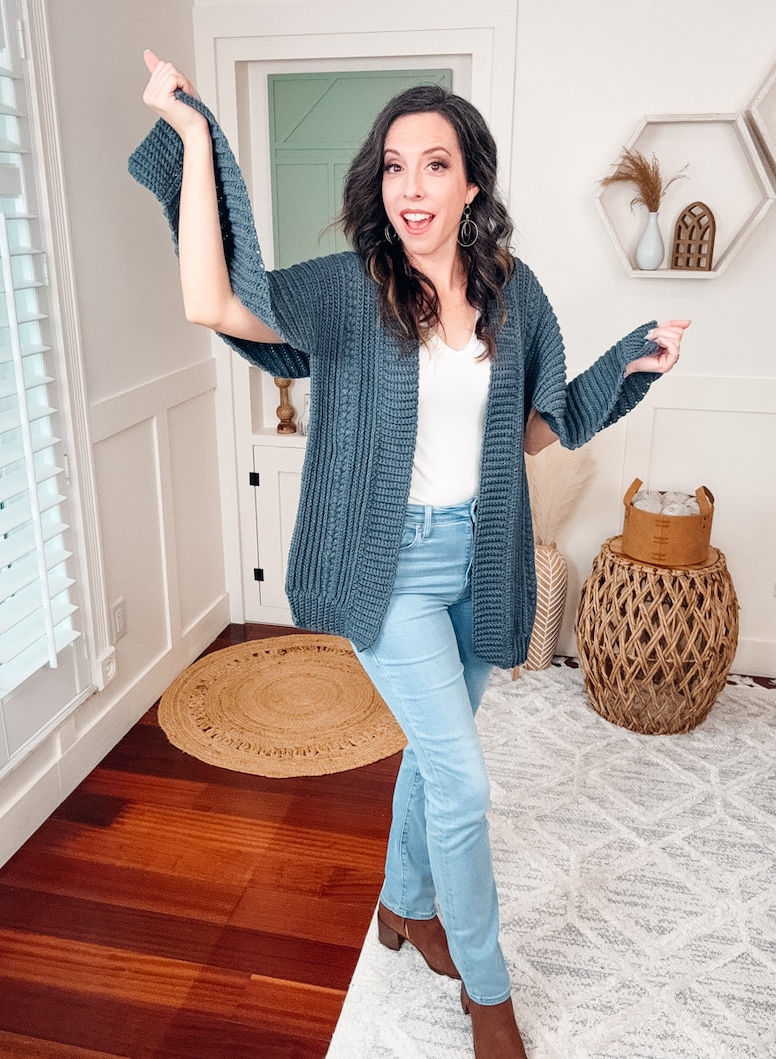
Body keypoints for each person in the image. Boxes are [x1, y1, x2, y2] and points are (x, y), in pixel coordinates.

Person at [131, 51, 688, 1059]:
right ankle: (487, 991)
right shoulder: (350, 291)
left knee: (436, 767)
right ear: (376, 183)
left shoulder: (513, 295)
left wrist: (626, 363)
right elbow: (213, 303)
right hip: (383, 569)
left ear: (470, 180)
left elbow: (530, 429)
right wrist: (192, 139)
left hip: (481, 560)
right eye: (393, 166)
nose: (410, 187)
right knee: (465, 784)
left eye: (433, 165)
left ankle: (402, 908)